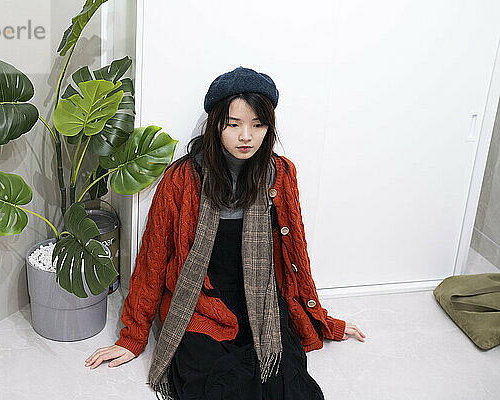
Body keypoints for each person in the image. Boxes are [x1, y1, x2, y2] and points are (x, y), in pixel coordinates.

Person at [85, 66, 367, 399]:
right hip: (200, 299)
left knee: (283, 381)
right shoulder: (183, 177)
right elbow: (154, 257)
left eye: (258, 125)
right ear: (216, 124)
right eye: (234, 125)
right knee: (205, 379)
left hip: (261, 296)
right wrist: (132, 337)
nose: (246, 136)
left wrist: (321, 319)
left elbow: (296, 256)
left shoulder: (281, 174)